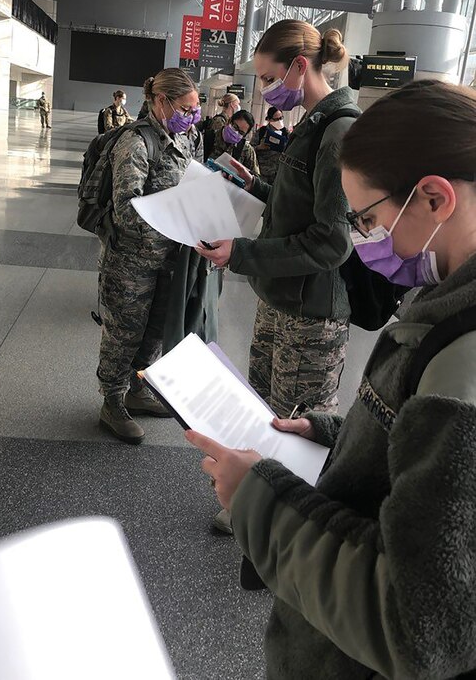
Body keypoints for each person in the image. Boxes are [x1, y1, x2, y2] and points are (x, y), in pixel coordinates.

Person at [188, 78, 476, 679]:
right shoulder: (448, 311)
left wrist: (259, 503)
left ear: (434, 199)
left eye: (367, 216)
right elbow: (434, 457)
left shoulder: (463, 354)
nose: (364, 237)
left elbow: (418, 624)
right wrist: (341, 434)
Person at [196, 20, 357, 533]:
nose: (264, 91)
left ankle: (294, 531)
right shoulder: (310, 123)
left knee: (299, 422)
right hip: (280, 298)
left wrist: (241, 253)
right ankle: (258, 501)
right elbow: (299, 210)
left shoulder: (338, 130)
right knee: (265, 409)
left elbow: (332, 242)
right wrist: (258, 186)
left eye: (268, 78)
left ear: (298, 67)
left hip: (311, 312)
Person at [97, 68, 199, 444]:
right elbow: (127, 209)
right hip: (132, 263)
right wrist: (175, 219)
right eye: (186, 108)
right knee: (124, 333)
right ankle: (111, 401)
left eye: (195, 108)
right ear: (161, 101)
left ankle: (138, 389)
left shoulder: (188, 138)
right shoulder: (136, 143)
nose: (192, 116)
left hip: (172, 258)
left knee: (156, 329)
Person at [209, 109, 260, 176]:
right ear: (229, 121)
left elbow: (255, 179)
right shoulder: (209, 138)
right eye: (235, 127)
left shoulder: (247, 150)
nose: (236, 132)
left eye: (241, 133)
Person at [254, 105, 290, 184]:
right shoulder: (261, 132)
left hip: (278, 174)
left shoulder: (286, 133)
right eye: (276, 119)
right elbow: (250, 149)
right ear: (269, 119)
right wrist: (259, 147)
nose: (279, 121)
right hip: (262, 172)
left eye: (281, 118)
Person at [203, 93, 241, 160]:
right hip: (214, 158)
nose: (238, 106)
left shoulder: (228, 120)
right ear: (232, 104)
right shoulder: (219, 121)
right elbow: (218, 141)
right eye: (237, 103)